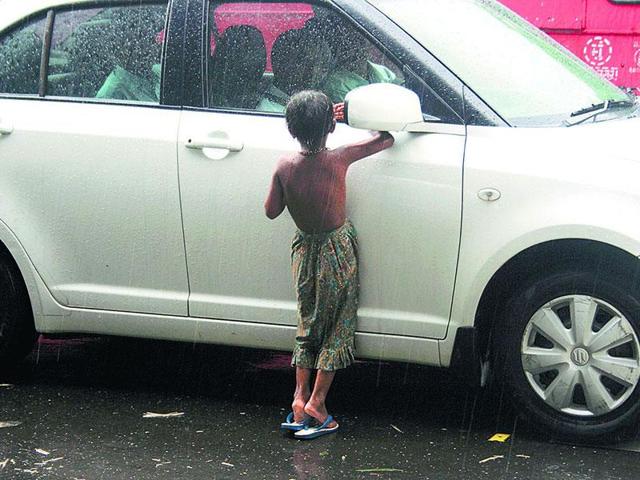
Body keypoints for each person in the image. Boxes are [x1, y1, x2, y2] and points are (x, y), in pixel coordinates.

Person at [264, 90, 394, 439]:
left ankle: (297, 399)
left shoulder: (284, 166)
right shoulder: (339, 158)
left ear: (291, 129)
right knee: (338, 324)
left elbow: (271, 210)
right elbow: (385, 140)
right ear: (330, 126)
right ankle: (318, 404)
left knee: (307, 323)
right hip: (336, 251)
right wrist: (346, 116)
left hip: (304, 250)